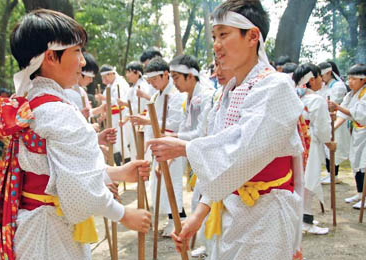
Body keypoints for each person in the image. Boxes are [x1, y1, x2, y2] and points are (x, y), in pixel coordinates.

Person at [0, 9, 151, 260]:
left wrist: (115, 173)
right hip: (52, 235)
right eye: (77, 52)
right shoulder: (60, 112)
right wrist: (124, 215)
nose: (83, 62)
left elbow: (54, 171)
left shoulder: (33, 103)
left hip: (31, 226)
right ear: (50, 57)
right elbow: (77, 188)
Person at [148, 1, 305, 259]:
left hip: (267, 213)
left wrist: (186, 147)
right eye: (213, 36)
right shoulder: (226, 93)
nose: (216, 45)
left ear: (253, 36)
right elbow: (222, 169)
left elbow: (243, 151)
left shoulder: (275, 87)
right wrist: (198, 215)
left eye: (223, 34)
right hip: (232, 209)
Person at [129, 56, 186, 237]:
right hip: (158, 146)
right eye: (150, 80)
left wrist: (148, 120)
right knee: (161, 184)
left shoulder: (176, 96)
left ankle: (177, 220)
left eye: (155, 79)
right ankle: (174, 218)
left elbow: (174, 124)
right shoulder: (156, 95)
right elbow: (152, 116)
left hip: (172, 144)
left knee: (173, 182)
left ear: (165, 75)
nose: (152, 84)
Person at [293, 63, 334, 235]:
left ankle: (301, 218)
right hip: (311, 146)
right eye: (318, 77)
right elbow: (323, 129)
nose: (321, 81)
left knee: (299, 183)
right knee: (308, 183)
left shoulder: (295, 98)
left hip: (296, 146)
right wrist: (329, 142)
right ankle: (306, 221)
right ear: (311, 80)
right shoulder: (316, 100)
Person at [328, 64, 366, 209]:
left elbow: (359, 115)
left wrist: (337, 107)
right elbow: (343, 114)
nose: (350, 81)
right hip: (358, 132)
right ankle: (360, 192)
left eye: (353, 79)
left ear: (363, 80)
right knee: (355, 162)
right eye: (349, 78)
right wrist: (333, 128)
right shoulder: (351, 95)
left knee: (364, 163)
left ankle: (365, 196)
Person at [318, 61, 350, 184]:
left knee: (333, 148)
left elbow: (332, 104)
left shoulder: (338, 86)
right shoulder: (324, 86)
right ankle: (329, 173)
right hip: (325, 120)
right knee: (326, 149)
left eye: (322, 75)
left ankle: (334, 175)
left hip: (335, 120)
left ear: (329, 73)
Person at [98, 64, 131, 165]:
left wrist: (104, 99)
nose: (104, 80)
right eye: (103, 77)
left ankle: (126, 163)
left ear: (112, 74)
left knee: (122, 141)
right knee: (115, 142)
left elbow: (119, 101)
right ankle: (120, 163)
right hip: (113, 117)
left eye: (106, 76)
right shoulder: (109, 85)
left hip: (121, 115)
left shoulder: (119, 84)